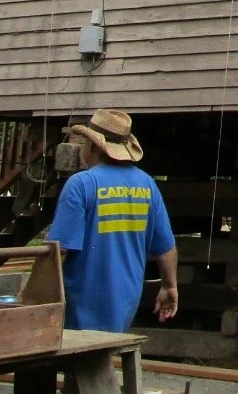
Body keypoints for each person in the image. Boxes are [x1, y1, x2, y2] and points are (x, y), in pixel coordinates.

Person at [47, 108, 178, 331]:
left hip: (78, 310)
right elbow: (166, 248)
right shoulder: (147, 185)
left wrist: (37, 298)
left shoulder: (81, 184)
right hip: (124, 308)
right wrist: (169, 285)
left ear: (93, 146)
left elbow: (58, 251)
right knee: (103, 359)